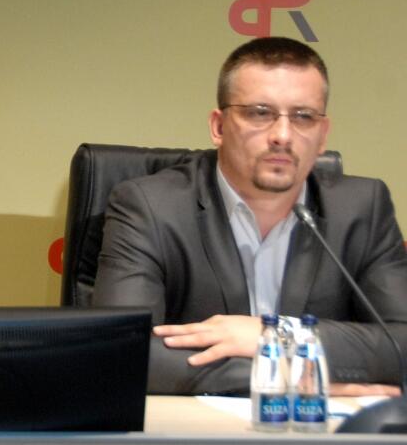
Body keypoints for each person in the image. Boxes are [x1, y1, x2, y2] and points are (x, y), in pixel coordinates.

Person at [92, 37, 407, 395]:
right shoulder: (150, 207)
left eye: (303, 117)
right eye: (260, 113)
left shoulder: (362, 208)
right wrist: (297, 380)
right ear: (219, 127)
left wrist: (272, 335)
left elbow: (402, 343)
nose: (282, 135)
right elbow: (121, 351)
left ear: (322, 136)